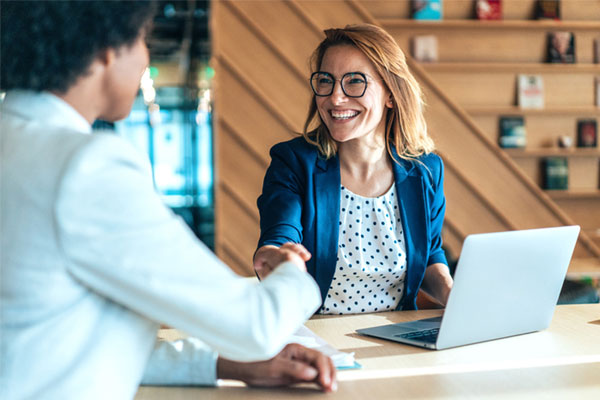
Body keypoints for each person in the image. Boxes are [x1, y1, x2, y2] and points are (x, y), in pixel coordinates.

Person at [0, 2, 336, 399]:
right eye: (143, 39)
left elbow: (46, 342)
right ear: (108, 48)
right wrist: (293, 269)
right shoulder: (86, 167)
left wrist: (224, 365)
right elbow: (256, 326)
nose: (146, 58)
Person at [254, 24, 453, 314]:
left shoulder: (425, 170)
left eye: (355, 82)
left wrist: (452, 293)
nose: (335, 98)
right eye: (326, 81)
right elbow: (279, 236)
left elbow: (430, 252)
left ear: (391, 94)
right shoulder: (294, 161)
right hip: (317, 339)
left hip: (396, 337)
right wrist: (275, 257)